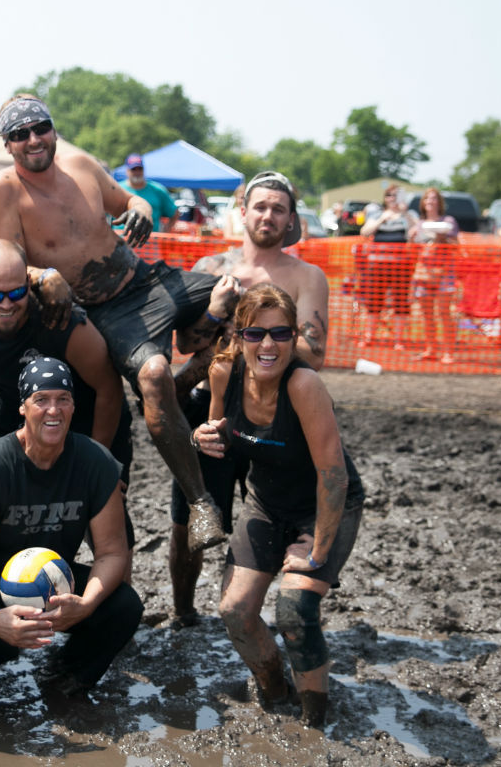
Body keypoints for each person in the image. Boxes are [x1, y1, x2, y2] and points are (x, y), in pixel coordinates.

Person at [0, 94, 239, 555]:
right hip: (102, 313)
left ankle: (187, 380)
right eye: (19, 135)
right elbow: (8, 263)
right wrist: (42, 275)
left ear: (53, 129)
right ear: (7, 145)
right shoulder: (1, 191)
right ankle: (201, 503)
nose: (33, 139)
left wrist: (139, 206)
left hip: (146, 281)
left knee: (248, 295)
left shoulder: (81, 163)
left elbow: (128, 198)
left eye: (40, 128)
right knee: (152, 376)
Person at [191, 283, 363, 729]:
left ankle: (313, 719)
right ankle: (275, 691)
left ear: (292, 339)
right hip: (266, 503)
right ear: (239, 336)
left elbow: (335, 475)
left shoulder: (304, 384)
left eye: (280, 334)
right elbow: (220, 433)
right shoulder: (223, 372)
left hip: (325, 507)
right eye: (255, 334)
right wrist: (201, 437)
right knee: (235, 611)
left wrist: (317, 553)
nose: (268, 345)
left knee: (295, 610)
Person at [0, 356, 143, 699]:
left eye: (63, 399)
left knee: (124, 606)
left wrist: (85, 604)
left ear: (74, 406)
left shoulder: (96, 463)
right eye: (41, 400)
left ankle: (65, 674)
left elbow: (113, 551)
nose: (53, 410)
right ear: (23, 408)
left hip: (45, 573)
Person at [168, 171, 330, 628]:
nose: (268, 215)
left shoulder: (307, 277)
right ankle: (183, 612)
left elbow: (314, 354)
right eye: (260, 206)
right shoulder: (210, 268)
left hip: (276, 415)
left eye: (279, 208)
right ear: (242, 211)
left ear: (291, 218)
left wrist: (250, 331)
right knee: (194, 518)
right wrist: (218, 309)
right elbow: (185, 343)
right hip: (210, 410)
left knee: (270, 512)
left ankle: (260, 610)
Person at [0, 239, 135, 542]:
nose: (6, 304)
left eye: (16, 292)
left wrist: (100, 462)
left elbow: (109, 388)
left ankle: (114, 589)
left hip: (83, 412)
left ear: (28, 284)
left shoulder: (62, 321)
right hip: (9, 402)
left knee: (105, 523)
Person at [357, 186, 419, 348]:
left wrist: (404, 213)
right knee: (373, 302)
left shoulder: (409, 215)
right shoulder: (377, 214)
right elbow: (365, 232)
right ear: (385, 198)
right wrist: (381, 220)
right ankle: (369, 336)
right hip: (377, 265)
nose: (393, 199)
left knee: (401, 303)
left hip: (401, 266)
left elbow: (417, 232)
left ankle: (398, 340)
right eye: (390, 196)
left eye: (396, 195)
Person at [410, 188, 460, 364]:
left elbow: (456, 244)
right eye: (427, 199)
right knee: (427, 314)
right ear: (423, 203)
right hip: (424, 272)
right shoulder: (420, 223)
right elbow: (413, 248)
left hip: (444, 271)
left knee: (444, 312)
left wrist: (443, 238)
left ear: (439, 202)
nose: (430, 201)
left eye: (434, 198)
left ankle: (448, 352)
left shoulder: (448, 222)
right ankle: (430, 349)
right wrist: (411, 238)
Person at [119, 154, 178, 233]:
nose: (137, 172)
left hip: (150, 241)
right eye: (134, 169)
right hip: (120, 240)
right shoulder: (117, 189)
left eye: (140, 169)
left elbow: (174, 212)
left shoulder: (157, 190)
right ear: (127, 171)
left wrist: (166, 230)